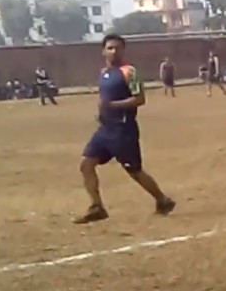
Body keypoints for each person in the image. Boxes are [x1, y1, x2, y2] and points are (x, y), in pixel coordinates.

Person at [75, 34, 176, 224]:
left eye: (118, 48)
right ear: (103, 50)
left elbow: (139, 99)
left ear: (123, 50)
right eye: (110, 48)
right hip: (105, 129)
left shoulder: (129, 72)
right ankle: (97, 206)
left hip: (123, 130)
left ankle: (163, 200)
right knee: (86, 165)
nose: (114, 51)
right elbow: (104, 100)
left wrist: (113, 106)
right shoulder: (104, 72)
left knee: (134, 171)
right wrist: (102, 113)